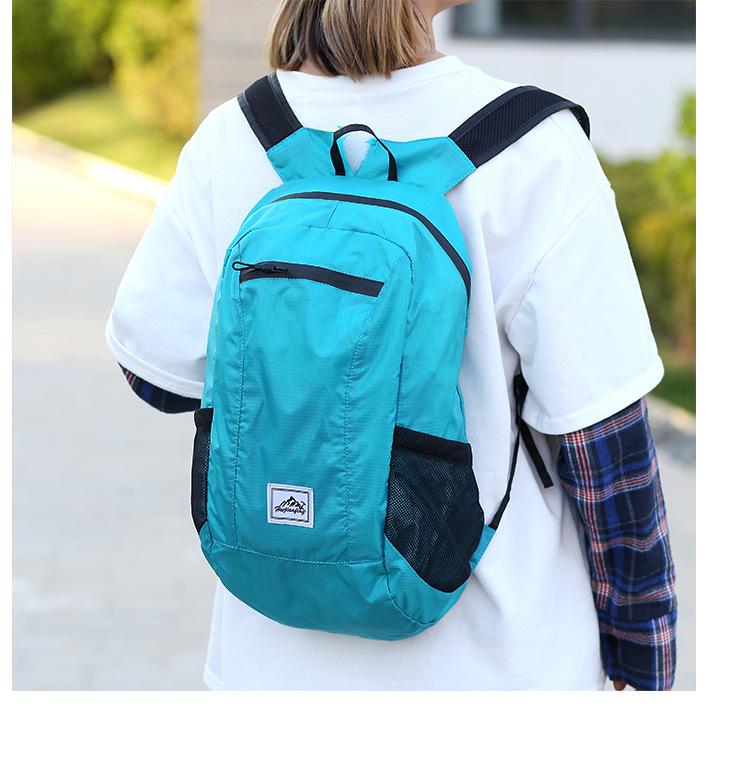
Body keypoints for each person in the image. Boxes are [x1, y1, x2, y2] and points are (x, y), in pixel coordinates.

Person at [106, 0, 677, 690]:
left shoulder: (235, 135)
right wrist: (643, 654)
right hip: (495, 669)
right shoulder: (533, 147)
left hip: (269, 667)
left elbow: (156, 377)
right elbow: (606, 447)